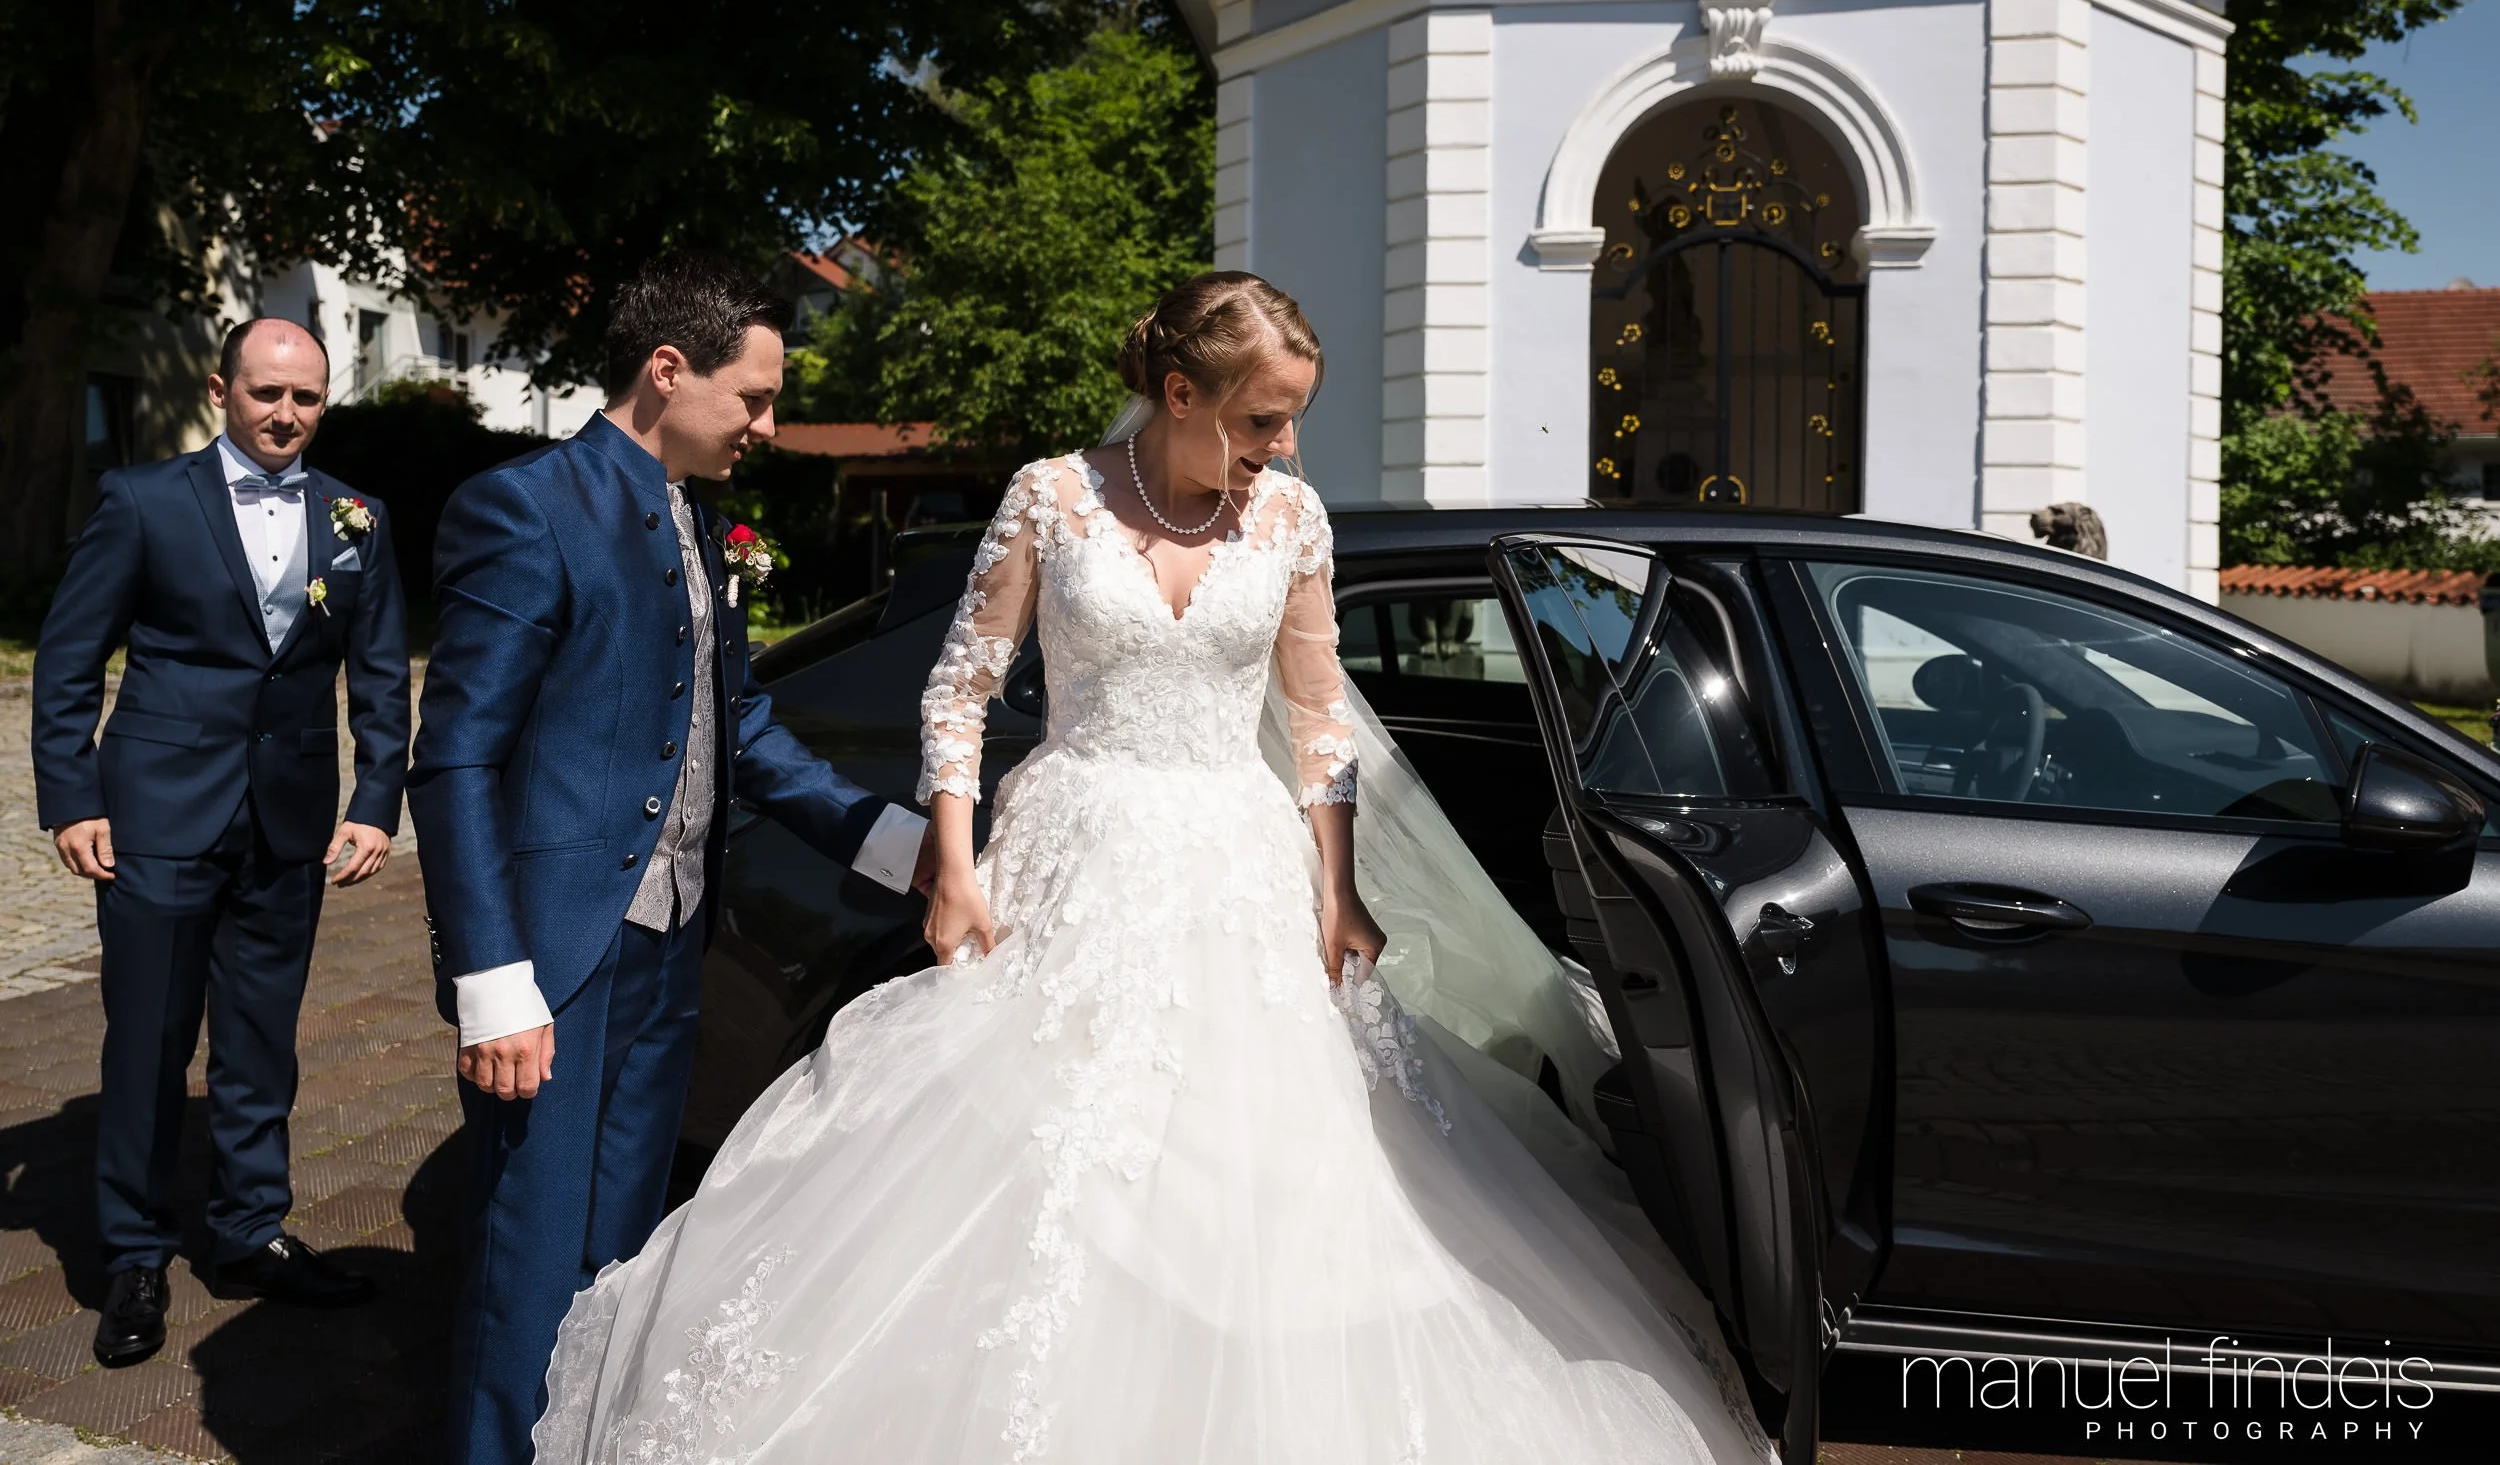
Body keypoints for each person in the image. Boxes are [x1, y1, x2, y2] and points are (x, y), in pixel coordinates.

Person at [528, 272, 1773, 1464]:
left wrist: (1338, 888)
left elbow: (1319, 712)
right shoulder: (1052, 496)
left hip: (1235, 862)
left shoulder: (1291, 518)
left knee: (1269, 1161)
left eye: (1292, 419)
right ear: (1180, 394)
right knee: (1042, 1149)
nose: (1284, 445)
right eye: (1263, 417)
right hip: (1073, 851)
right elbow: (960, 688)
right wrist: (953, 866)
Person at [408, 253, 936, 1465]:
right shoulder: (526, 507)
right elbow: (456, 760)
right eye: (750, 398)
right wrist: (494, 979)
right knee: (524, 1259)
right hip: (558, 957)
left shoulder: (695, 517)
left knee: (623, 1253)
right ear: (666, 369)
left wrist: (892, 841)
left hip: (670, 944)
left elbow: (733, 719)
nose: (766, 424)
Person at [31, 317, 410, 1369]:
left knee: (259, 1041)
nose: (286, 413)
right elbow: (67, 661)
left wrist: (377, 795)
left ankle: (250, 1232)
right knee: (147, 1040)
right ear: (221, 389)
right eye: (266, 393)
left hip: (287, 823)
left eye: (306, 397)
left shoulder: (357, 517)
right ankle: (136, 1252)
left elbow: (378, 674)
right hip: (155, 816)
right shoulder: (143, 501)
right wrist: (71, 798)